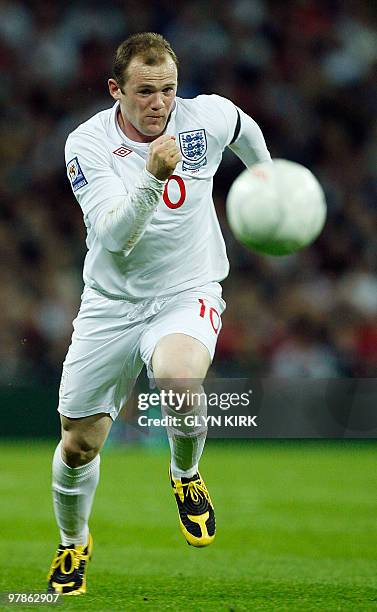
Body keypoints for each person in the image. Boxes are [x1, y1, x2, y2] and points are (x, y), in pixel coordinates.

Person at [47, 32, 271, 595]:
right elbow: (114, 237)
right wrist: (151, 178)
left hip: (186, 288)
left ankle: (185, 474)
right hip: (111, 304)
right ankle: (73, 544)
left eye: (168, 89)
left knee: (177, 380)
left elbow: (244, 130)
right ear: (116, 90)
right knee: (79, 445)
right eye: (145, 91)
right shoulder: (87, 144)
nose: (159, 103)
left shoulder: (206, 117)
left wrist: (267, 178)